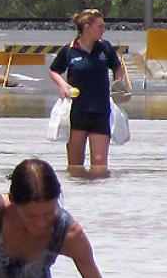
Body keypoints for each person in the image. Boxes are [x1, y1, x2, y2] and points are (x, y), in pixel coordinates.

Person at [49, 9, 124, 170]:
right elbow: (54, 70)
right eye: (100, 26)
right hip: (77, 112)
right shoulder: (70, 50)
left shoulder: (105, 48)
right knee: (75, 166)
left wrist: (119, 84)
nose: (103, 30)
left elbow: (118, 68)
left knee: (100, 166)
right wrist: (63, 85)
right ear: (87, 27)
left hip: (101, 111)